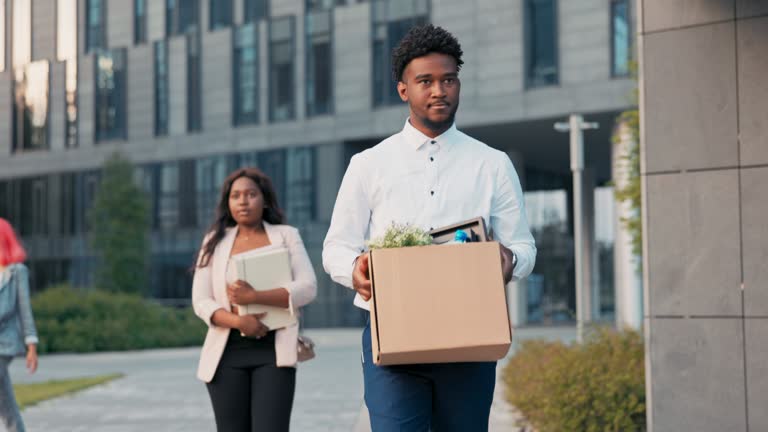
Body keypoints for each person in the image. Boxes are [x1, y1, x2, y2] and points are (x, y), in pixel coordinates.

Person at [322, 24, 536, 431]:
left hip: (471, 334)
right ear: (404, 89)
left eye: (449, 80)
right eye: (426, 81)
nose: (440, 90)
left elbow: (523, 246)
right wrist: (355, 270)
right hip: (393, 335)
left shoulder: (492, 164)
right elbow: (336, 247)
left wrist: (508, 260)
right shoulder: (369, 165)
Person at [192, 168, 317, 432]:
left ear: (265, 199)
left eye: (251, 194)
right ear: (228, 202)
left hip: (274, 353)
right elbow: (201, 300)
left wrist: (254, 297)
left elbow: (308, 288)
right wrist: (239, 322)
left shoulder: (286, 235)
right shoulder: (214, 242)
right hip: (226, 357)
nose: (243, 201)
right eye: (236, 195)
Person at [0, 218, 39, 432]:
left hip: (4, 344)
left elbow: (25, 310)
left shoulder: (17, 272)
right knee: (6, 406)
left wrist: (31, 346)